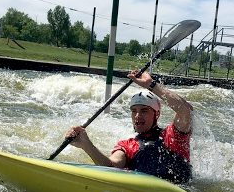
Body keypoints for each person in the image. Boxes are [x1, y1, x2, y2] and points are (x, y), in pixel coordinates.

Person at [65, 70, 193, 184]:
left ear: (157, 114)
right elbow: (111, 166)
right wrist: (86, 145)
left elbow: (185, 110)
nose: (137, 116)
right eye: (134, 111)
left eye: (144, 111)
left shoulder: (173, 136)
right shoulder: (127, 145)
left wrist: (150, 84)